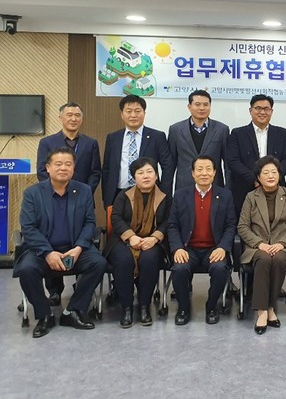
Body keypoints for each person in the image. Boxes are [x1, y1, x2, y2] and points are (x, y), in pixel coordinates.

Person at [13, 148, 107, 338]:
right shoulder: (33, 193)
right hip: (42, 251)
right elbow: (28, 228)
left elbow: (90, 223)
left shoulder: (84, 190)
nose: (63, 168)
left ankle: (73, 311)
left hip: (74, 250)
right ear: (47, 168)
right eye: (58, 164)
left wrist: (78, 248)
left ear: (73, 168)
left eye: (68, 164)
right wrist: (48, 253)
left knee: (98, 263)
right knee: (26, 269)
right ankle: (44, 315)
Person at [37, 101, 101, 305]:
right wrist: (57, 190)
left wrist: (82, 193)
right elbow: (41, 171)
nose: (73, 119)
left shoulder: (90, 143)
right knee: (54, 238)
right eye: (69, 115)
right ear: (61, 118)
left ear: (82, 119)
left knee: (81, 242)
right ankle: (54, 290)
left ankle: (80, 286)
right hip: (53, 200)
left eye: (77, 115)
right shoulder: (47, 142)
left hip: (81, 202)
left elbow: (95, 172)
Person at [167, 155, 236, 326]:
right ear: (192, 173)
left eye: (208, 169)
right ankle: (183, 308)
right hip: (187, 248)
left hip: (214, 248)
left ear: (214, 172)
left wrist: (223, 247)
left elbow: (230, 225)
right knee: (179, 268)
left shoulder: (225, 195)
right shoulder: (180, 195)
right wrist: (177, 248)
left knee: (220, 268)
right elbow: (172, 225)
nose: (204, 173)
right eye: (199, 169)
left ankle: (212, 306)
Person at [104, 157, 171, 328]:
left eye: (149, 172)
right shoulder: (123, 195)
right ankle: (126, 308)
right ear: (134, 177)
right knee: (123, 260)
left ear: (156, 175)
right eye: (140, 173)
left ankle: (144, 306)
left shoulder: (165, 197)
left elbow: (169, 221)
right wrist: (131, 236)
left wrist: (155, 237)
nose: (146, 176)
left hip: (153, 241)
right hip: (123, 240)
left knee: (149, 259)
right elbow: (116, 218)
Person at [237, 156, 286, 335]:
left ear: (279, 175)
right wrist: (259, 244)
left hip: (283, 245)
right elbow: (242, 226)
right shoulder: (251, 197)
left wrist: (281, 243)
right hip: (257, 246)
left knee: (279, 260)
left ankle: (270, 307)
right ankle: (262, 311)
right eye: (266, 173)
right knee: (264, 259)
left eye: (274, 172)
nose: (271, 176)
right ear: (258, 177)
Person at [102, 95, 174, 209]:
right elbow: (107, 169)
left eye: (137, 111)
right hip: (118, 193)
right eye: (128, 111)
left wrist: (164, 193)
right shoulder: (113, 138)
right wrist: (106, 197)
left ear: (144, 113)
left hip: (149, 194)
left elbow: (168, 166)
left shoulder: (157, 136)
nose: (133, 115)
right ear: (122, 114)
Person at [227, 94, 286, 215]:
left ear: (271, 112)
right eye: (258, 108)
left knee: (277, 221)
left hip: (276, 188)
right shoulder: (238, 133)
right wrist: (255, 179)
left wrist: (274, 178)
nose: (262, 112)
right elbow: (232, 161)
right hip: (245, 188)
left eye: (266, 109)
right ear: (250, 110)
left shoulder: (281, 133)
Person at [168, 89, 230, 191]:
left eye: (206, 104)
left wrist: (228, 190)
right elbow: (170, 165)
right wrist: (167, 192)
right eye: (197, 104)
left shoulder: (222, 129)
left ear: (210, 106)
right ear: (189, 106)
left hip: (214, 186)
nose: (202, 108)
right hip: (184, 186)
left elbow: (228, 164)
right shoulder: (176, 130)